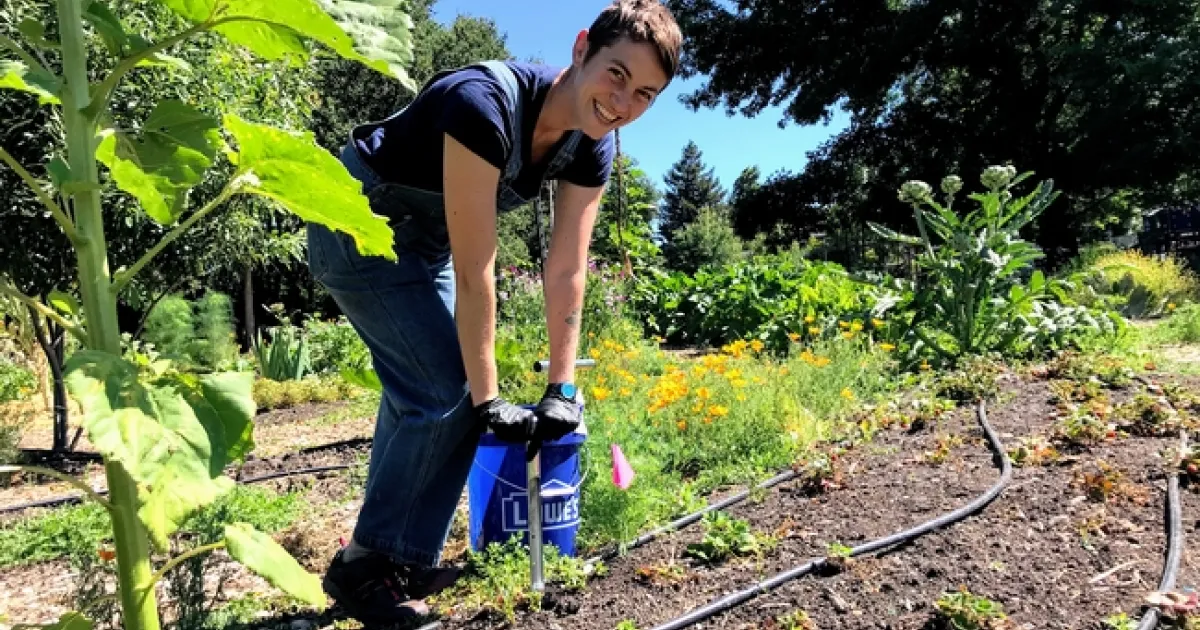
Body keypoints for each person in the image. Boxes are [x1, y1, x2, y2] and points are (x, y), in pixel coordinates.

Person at [305, 0, 683, 624]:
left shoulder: (591, 146)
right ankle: (364, 569)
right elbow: (478, 267)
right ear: (582, 48)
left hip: (425, 245)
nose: (622, 104)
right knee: (447, 391)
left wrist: (562, 388)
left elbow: (567, 269)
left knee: (423, 393)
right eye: (616, 74)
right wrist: (488, 401)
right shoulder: (483, 106)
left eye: (644, 94)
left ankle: (388, 558)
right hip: (356, 223)